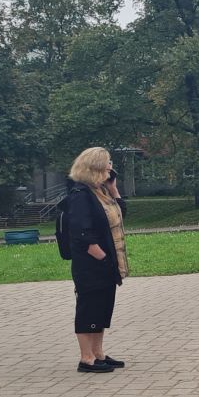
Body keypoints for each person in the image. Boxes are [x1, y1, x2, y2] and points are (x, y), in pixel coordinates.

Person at [65, 147, 129, 374]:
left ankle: (99, 353)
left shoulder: (101, 191)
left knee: (102, 309)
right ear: (95, 167)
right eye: (107, 163)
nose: (110, 167)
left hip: (107, 262)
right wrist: (102, 259)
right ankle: (86, 358)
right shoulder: (80, 195)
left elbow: (121, 214)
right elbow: (83, 233)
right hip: (91, 264)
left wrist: (114, 189)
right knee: (89, 308)